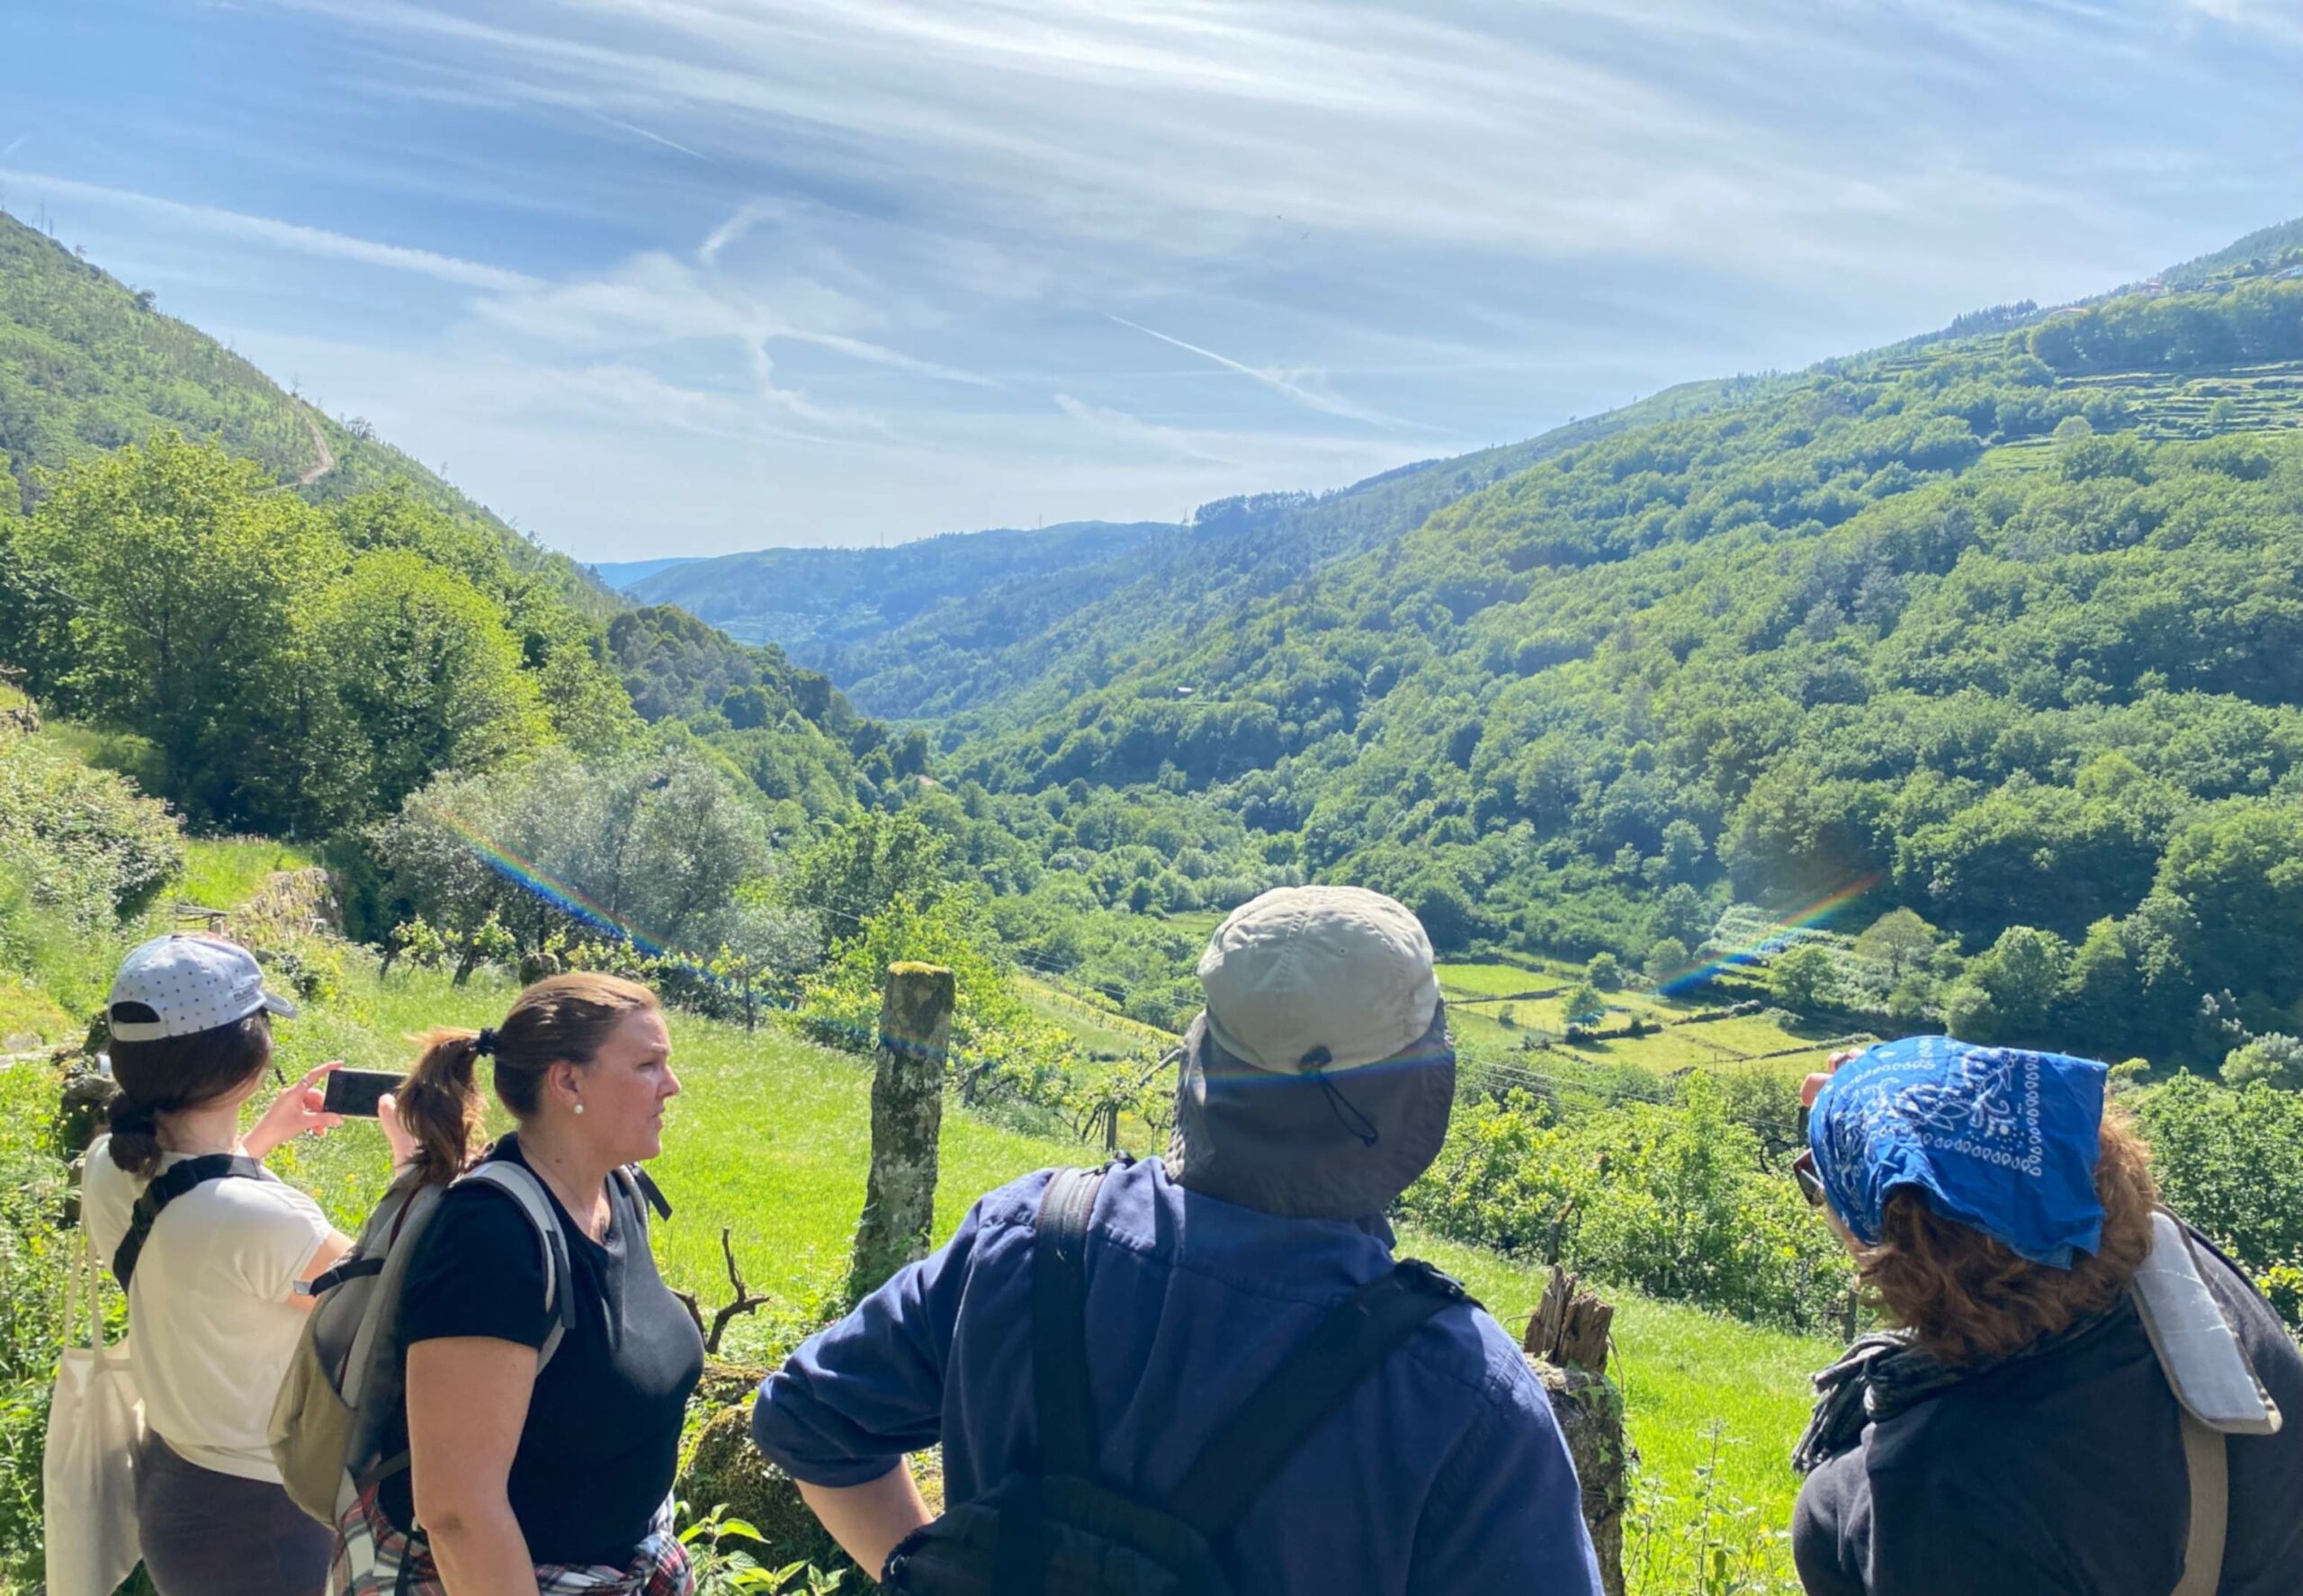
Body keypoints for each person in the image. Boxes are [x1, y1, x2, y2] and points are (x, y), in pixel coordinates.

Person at [752, 884, 1604, 1593]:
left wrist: (931, 1574)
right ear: (1414, 1098)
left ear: (1201, 1059)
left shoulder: (1026, 1240)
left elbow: (807, 1419)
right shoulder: (1460, 1394)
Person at [1790, 1036, 2303, 1596]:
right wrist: (1906, 1090)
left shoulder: (1921, 1488)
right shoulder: (2188, 1279)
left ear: (1890, 1249)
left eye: (1820, 1183)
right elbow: (2007, 1176)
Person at [332, 973, 703, 1596]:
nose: (672, 1085)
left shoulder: (616, 1193)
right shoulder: (490, 1241)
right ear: (567, 1082)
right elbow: (456, 1513)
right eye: (648, 1065)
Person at [82, 934, 410, 1596]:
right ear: (249, 1058)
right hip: (264, 1519)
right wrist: (414, 1167)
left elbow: (193, 1229)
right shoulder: (264, 1220)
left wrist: (258, 1139)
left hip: (176, 1476)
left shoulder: (111, 1163)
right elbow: (390, 1303)